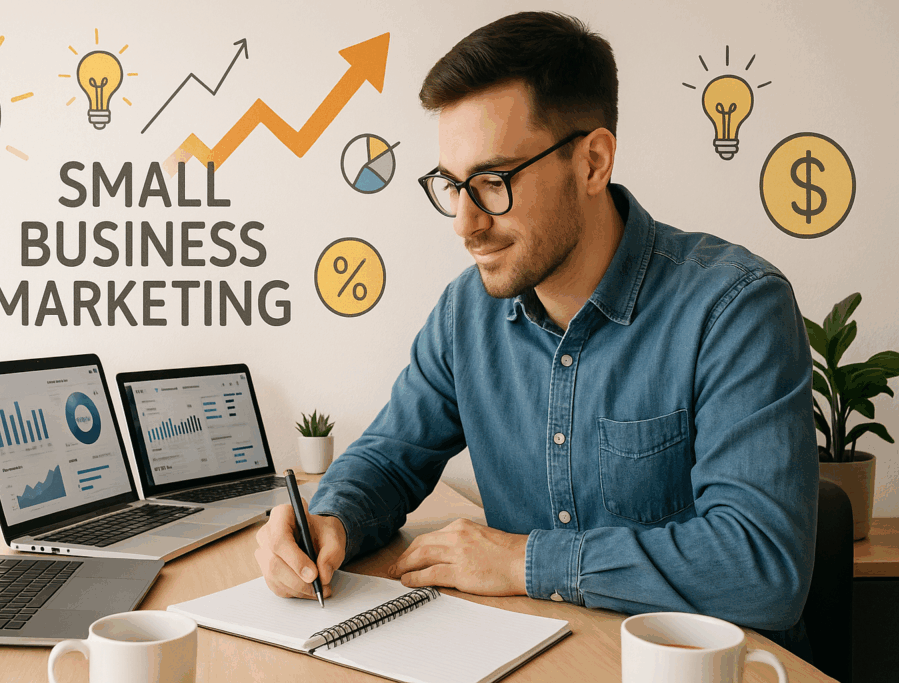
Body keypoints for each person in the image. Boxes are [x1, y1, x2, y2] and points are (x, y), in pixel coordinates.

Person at [255, 10, 818, 659]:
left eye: (493, 182)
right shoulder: (466, 311)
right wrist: (330, 518)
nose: (465, 224)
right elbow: (388, 456)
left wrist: (529, 562)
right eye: (451, 185)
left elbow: (761, 569)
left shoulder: (734, 310)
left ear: (593, 162)